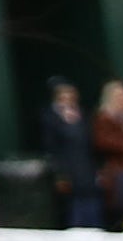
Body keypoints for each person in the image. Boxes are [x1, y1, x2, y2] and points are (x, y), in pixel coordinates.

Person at [38, 80, 100, 231]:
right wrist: (60, 174)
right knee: (73, 209)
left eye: (71, 94)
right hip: (68, 171)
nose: (69, 98)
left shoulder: (84, 115)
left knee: (93, 206)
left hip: (87, 170)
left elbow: (92, 144)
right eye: (64, 95)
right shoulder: (49, 117)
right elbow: (50, 147)